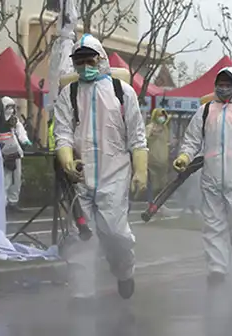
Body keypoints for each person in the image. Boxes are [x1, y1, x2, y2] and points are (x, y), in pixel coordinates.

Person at [53, 34, 148, 300]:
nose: (85, 66)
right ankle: (82, 295)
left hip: (114, 174)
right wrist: (67, 160)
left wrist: (140, 171)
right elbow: (62, 134)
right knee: (80, 235)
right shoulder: (69, 93)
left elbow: (137, 137)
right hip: (80, 176)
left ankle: (124, 270)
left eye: (90, 60)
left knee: (115, 233)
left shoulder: (122, 92)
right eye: (79, 61)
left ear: (101, 59)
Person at [174, 66, 232, 286]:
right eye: (220, 84)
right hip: (211, 179)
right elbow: (192, 140)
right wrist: (185, 156)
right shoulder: (206, 111)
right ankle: (217, 268)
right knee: (213, 225)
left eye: (228, 85)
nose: (223, 88)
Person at [0, 97, 31, 212]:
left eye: (12, 107)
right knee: (5, 180)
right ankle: (3, 204)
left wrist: (25, 141)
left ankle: (13, 202)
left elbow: (21, 131)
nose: (11, 109)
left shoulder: (15, 120)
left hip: (15, 152)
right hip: (3, 153)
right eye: (8, 107)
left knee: (16, 179)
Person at [146, 108, 171, 196]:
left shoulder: (165, 128)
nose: (162, 118)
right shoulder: (149, 127)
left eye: (163, 116)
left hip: (164, 161)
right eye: (160, 116)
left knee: (163, 184)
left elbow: (167, 141)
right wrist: (153, 133)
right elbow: (146, 139)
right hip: (153, 160)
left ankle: (160, 201)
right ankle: (151, 201)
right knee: (153, 183)